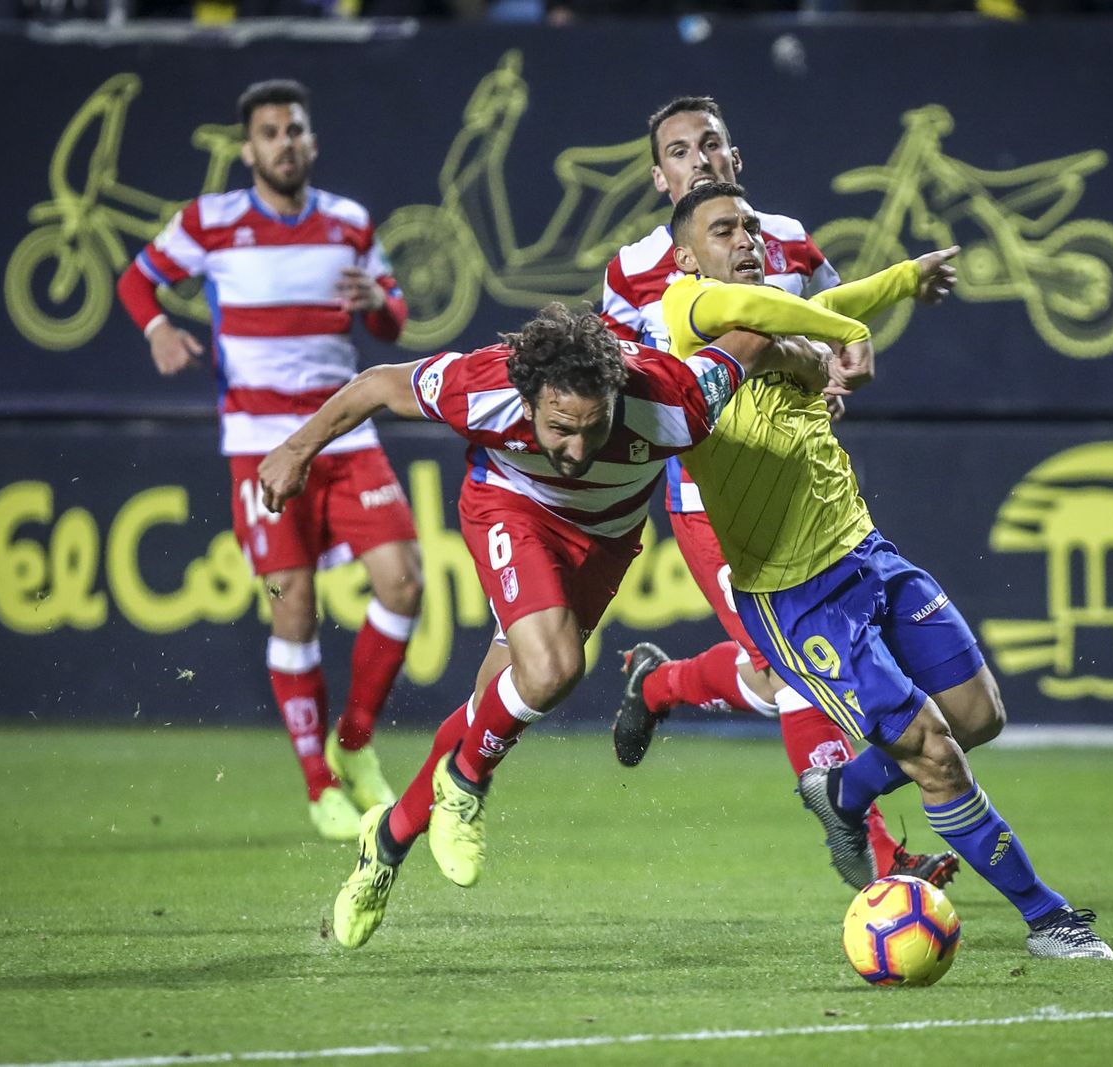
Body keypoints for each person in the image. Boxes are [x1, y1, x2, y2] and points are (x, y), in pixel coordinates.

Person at [257, 303, 834, 946]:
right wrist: (295, 448)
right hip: (511, 509)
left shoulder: (674, 399)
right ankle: (466, 783)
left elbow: (753, 341)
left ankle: (387, 841)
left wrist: (809, 361)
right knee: (555, 668)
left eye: (596, 427)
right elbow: (376, 384)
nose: (578, 449)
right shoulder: (482, 385)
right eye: (561, 428)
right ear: (527, 399)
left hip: (606, 541)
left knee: (497, 701)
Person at [658, 181, 1113, 959]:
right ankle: (1049, 919)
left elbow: (807, 309)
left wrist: (899, 281)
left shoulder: (781, 311)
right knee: (936, 752)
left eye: (750, 226)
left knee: (979, 716)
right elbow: (777, 318)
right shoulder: (688, 308)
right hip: (797, 598)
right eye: (723, 229)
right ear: (686, 253)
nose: (744, 239)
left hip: (868, 555)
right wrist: (839, 328)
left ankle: (844, 789)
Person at [600, 95, 956, 889]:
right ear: (661, 177)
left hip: (802, 487)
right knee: (801, 671)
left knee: (776, 673)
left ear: (737, 154)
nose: (702, 160)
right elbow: (618, 375)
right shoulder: (632, 269)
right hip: (707, 497)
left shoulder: (787, 237)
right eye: (682, 151)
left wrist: (848, 361)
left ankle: (659, 684)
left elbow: (834, 315)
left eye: (713, 144)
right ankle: (880, 863)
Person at [114, 79, 423, 841]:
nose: (285, 142)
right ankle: (317, 781)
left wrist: (377, 302)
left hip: (344, 432)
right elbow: (136, 279)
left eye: (296, 130)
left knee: (405, 581)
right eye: (271, 132)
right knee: (295, 604)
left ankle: (353, 742)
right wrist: (156, 328)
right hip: (259, 445)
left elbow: (392, 316)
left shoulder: (349, 222)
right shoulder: (211, 222)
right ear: (248, 148)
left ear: (311, 142)